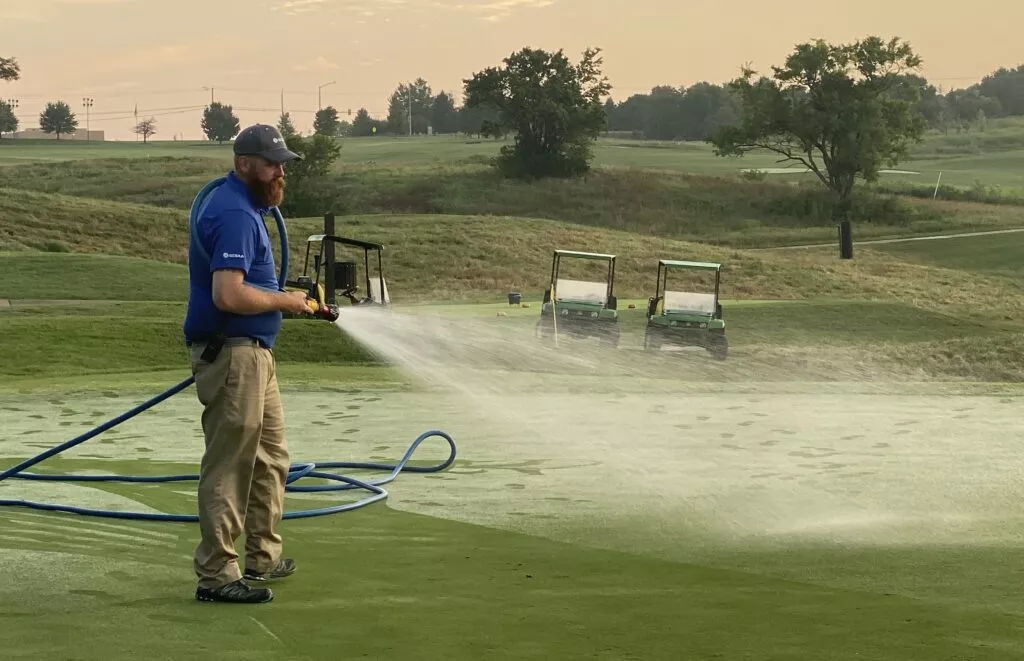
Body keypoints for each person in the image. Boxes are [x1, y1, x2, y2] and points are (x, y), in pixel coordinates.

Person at [183, 123, 312, 604]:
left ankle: (261, 556)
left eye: (281, 163)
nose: (280, 171)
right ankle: (216, 575)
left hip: (253, 352)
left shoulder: (248, 208)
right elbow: (228, 293)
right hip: (233, 353)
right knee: (231, 464)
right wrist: (287, 302)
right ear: (244, 165)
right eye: (272, 163)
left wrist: (286, 301)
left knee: (270, 457)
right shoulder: (235, 212)